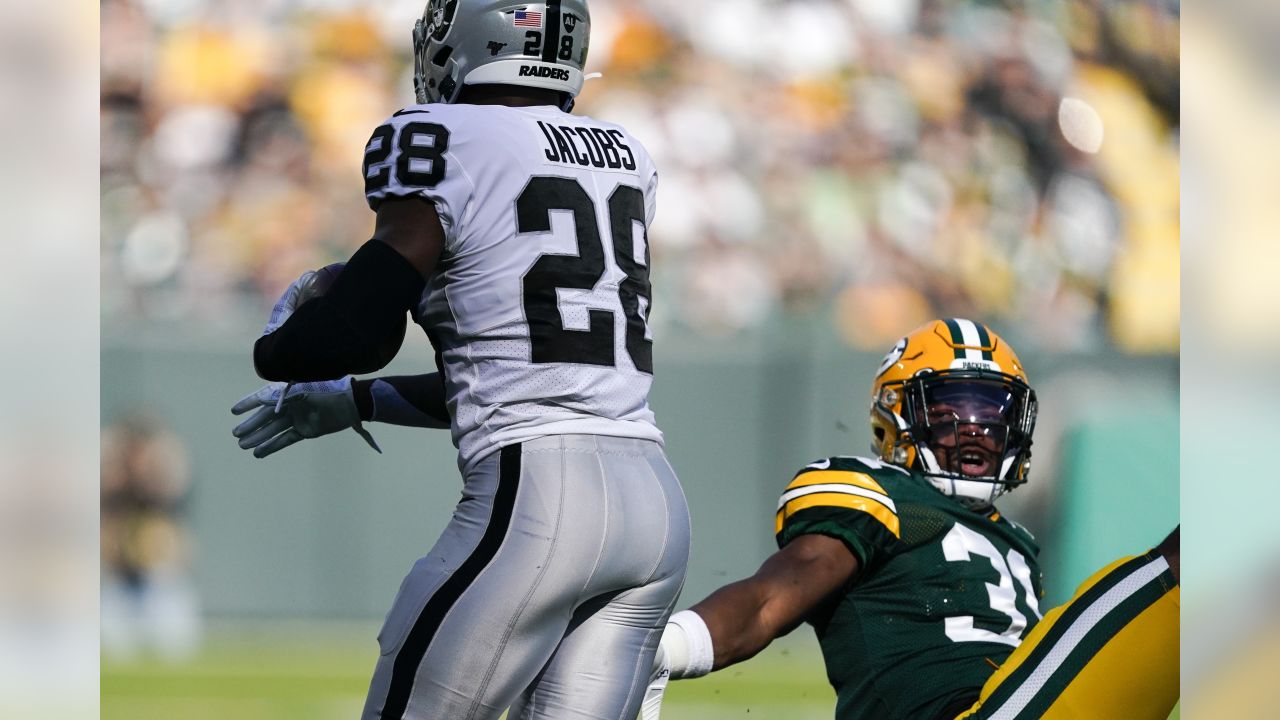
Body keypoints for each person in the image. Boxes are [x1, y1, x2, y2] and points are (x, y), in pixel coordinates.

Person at [230, 2, 691, 718]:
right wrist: (358, 401)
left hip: (538, 498)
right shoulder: (625, 153)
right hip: (654, 509)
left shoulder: (436, 136)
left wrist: (285, 341)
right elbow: (526, 367)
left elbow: (352, 334)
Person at [641, 318, 1179, 720]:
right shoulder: (878, 493)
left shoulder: (1017, 544)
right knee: (1180, 564)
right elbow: (771, 597)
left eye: (993, 415)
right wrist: (666, 647)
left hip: (1012, 701)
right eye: (950, 414)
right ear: (896, 418)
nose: (974, 430)